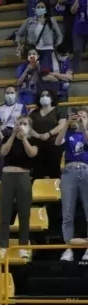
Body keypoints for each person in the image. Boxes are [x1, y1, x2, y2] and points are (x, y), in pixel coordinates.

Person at [0, 116, 38, 257]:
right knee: (4, 212)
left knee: (24, 213)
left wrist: (24, 139)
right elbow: (3, 152)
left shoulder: (33, 141)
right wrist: (13, 136)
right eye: (18, 123)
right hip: (7, 177)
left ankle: (23, 246)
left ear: (29, 128)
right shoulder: (6, 138)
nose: (20, 125)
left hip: (23, 177)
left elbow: (32, 153)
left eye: (24, 124)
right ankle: (3, 246)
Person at [56, 106, 88, 261]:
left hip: (86, 170)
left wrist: (84, 127)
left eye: (83, 116)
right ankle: (68, 247)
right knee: (67, 213)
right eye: (77, 116)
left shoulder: (85, 133)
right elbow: (57, 142)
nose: (79, 118)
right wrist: (67, 123)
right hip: (69, 171)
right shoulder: (68, 133)